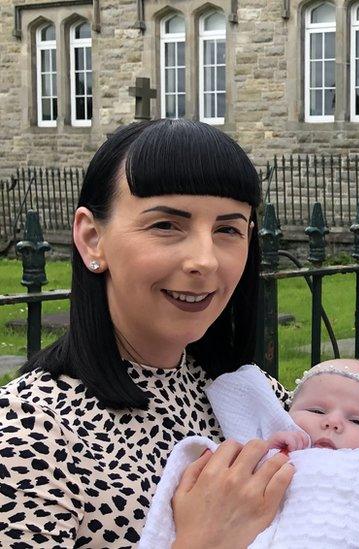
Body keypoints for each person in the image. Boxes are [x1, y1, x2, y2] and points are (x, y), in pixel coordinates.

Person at [0, 119, 295, 548]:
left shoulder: (251, 395)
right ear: (91, 237)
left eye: (228, 229)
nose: (205, 260)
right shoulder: (28, 433)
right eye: (166, 225)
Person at [139, 359, 359, 549]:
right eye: (316, 410)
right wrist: (273, 447)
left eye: (357, 420)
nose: (332, 422)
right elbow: (242, 473)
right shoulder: (278, 446)